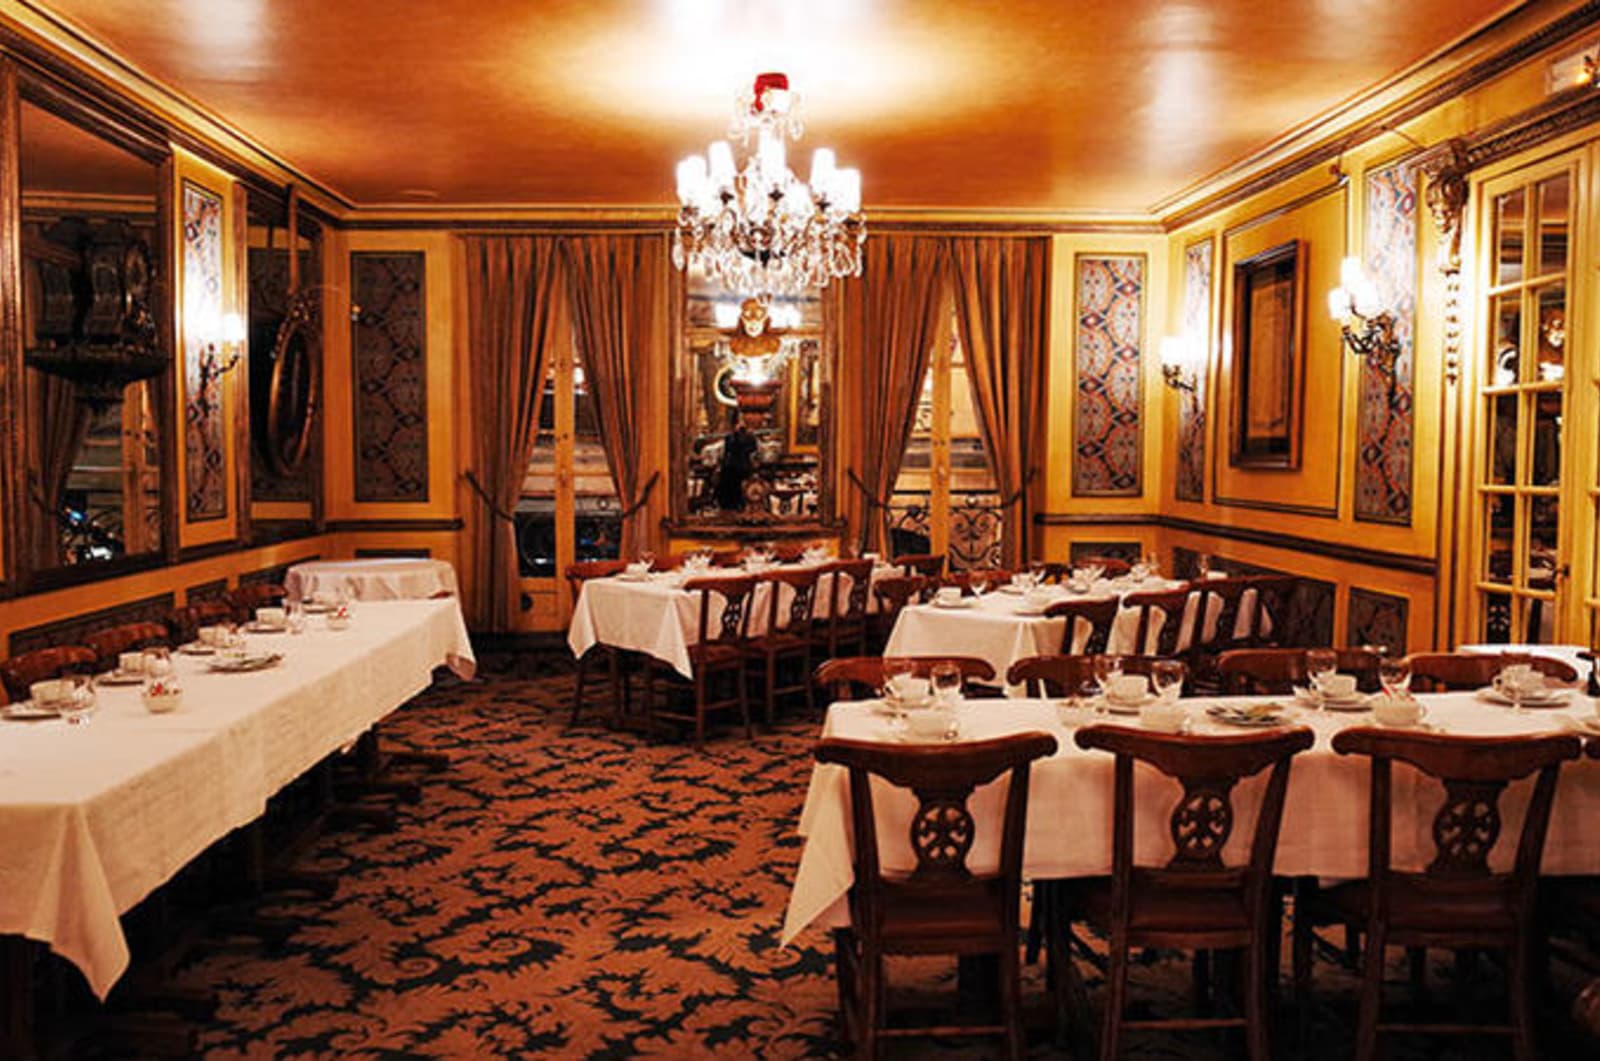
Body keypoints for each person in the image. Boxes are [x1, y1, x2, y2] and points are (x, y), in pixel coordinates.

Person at [714, 412, 757, 511]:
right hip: (730, 471)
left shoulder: (749, 437)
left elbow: (752, 451)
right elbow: (727, 452)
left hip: (742, 470)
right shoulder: (730, 438)